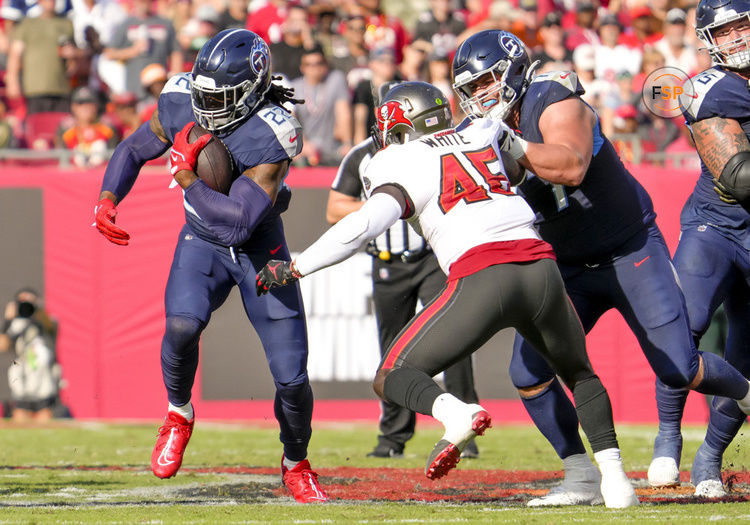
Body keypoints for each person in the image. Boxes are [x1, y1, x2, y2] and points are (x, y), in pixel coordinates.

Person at [257, 80, 639, 508]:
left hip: (483, 274)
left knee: (392, 375)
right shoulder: (482, 131)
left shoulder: (395, 160)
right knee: (579, 373)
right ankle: (610, 480)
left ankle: (456, 415)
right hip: (540, 265)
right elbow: (518, 169)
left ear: (400, 122)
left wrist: (295, 267)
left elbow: (362, 226)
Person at [450, 29, 750, 506]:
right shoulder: (481, 131)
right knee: (528, 373)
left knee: (679, 368)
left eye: (487, 81)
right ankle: (579, 474)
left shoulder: (551, 97)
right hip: (567, 264)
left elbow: (570, 165)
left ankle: (746, 396)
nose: (481, 95)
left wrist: (511, 145)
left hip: (629, 250)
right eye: (472, 89)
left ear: (511, 69)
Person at [93, 29, 328, 503]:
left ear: (250, 91)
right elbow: (135, 148)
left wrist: (183, 175)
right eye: (202, 91)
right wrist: (107, 196)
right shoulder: (181, 99)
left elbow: (239, 225)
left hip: (259, 250)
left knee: (291, 376)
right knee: (181, 325)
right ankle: (179, 413)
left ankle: (295, 462)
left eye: (217, 96)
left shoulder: (272, 130)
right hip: (201, 242)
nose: (205, 104)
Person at [326, 82, 480, 459]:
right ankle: (394, 435)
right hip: (387, 264)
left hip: (429, 257)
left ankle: (469, 426)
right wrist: (385, 205)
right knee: (393, 350)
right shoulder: (363, 156)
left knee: (455, 337)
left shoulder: (433, 149)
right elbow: (334, 209)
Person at [648, 0, 750, 498]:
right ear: (710, 40)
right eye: (725, 31)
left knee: (745, 358)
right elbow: (739, 177)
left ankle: (709, 459)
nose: (736, 38)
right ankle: (668, 436)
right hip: (717, 228)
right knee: (682, 329)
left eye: (743, 26)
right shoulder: (712, 87)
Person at [0, 288, 63, 422]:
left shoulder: (44, 320)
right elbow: (3, 345)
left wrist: (38, 313)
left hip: (43, 378)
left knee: (44, 415)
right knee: (21, 415)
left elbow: (53, 328)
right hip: (22, 376)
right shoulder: (15, 323)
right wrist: (8, 320)